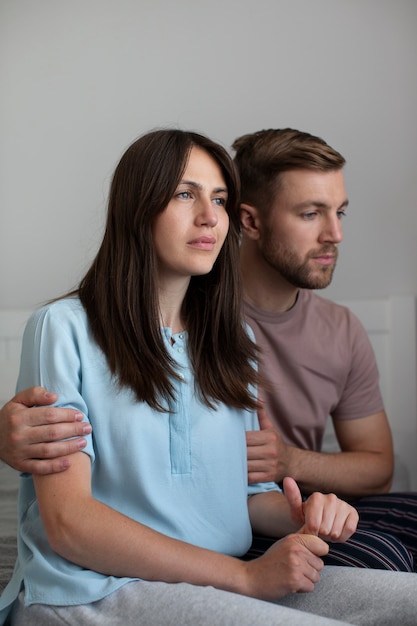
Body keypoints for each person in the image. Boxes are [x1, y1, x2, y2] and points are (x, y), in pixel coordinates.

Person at [0, 127, 389, 626]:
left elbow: (248, 498)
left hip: (210, 583)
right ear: (138, 207)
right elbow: (70, 525)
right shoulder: (63, 327)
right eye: (186, 194)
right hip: (96, 589)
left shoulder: (232, 341)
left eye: (220, 199)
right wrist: (244, 578)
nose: (210, 216)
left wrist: (304, 511)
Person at [233, 128, 417, 572]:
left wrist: (290, 460)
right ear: (251, 221)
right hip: (236, 520)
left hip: (316, 508)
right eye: (311, 213)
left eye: (340, 213)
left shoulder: (341, 328)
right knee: (387, 562)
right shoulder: (190, 319)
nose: (334, 234)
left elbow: (377, 467)